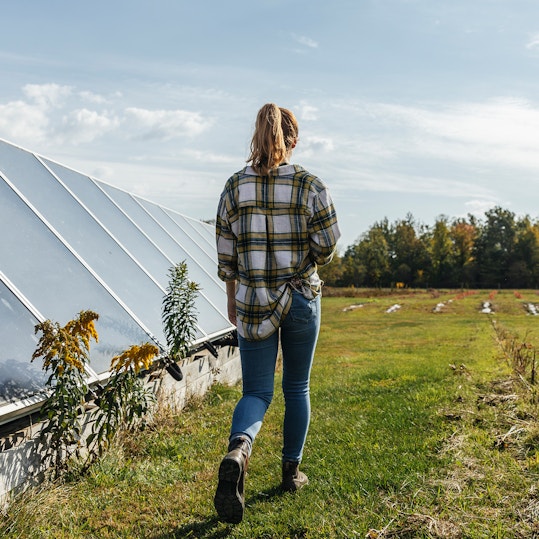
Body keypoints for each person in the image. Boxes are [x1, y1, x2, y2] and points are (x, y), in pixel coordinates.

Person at [214, 103, 340, 523]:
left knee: (256, 392)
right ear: (293, 139)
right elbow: (327, 244)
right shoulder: (310, 185)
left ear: (255, 135)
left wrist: (233, 298)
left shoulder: (234, 187)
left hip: (252, 300)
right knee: (297, 387)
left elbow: (226, 255)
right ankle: (291, 473)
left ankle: (239, 450)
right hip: (301, 297)